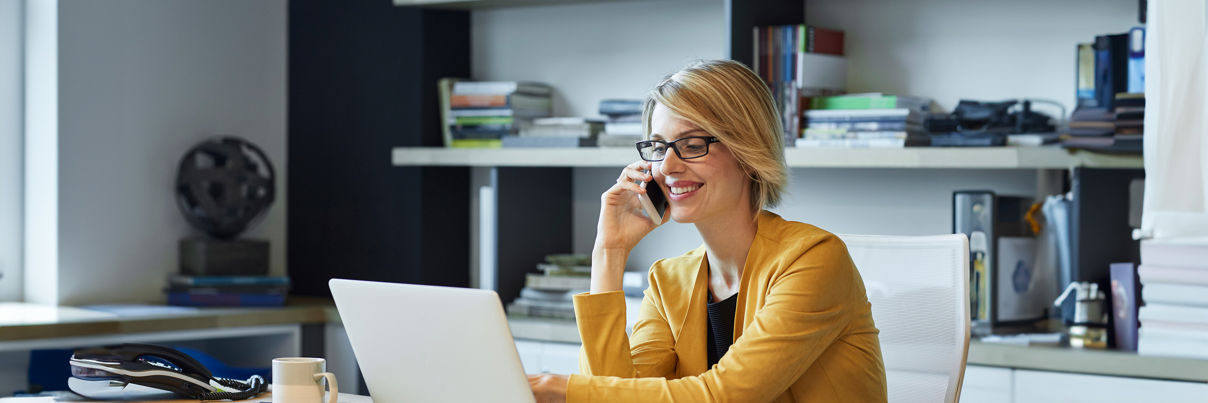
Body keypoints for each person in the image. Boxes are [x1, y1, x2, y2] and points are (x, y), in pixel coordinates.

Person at [529, 59, 887, 402]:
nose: (667, 166)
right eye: (658, 147)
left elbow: (726, 395)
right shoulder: (669, 281)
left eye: (692, 145)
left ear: (748, 150)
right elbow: (616, 392)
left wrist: (559, 389)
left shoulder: (814, 260)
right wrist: (609, 252)